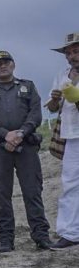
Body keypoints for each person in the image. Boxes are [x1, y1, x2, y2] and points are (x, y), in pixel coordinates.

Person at [0, 50, 52, 251]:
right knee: (2, 194)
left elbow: (36, 114)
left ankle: (41, 236)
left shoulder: (28, 86)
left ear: (13, 65)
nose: (2, 65)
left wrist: (20, 133)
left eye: (6, 62)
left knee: (32, 192)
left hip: (26, 145)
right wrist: (5, 135)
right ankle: (5, 239)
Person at [47, 34, 79, 250]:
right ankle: (70, 232)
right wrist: (56, 99)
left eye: (75, 51)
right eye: (68, 53)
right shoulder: (62, 74)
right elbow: (51, 108)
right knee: (70, 184)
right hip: (71, 135)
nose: (71, 56)